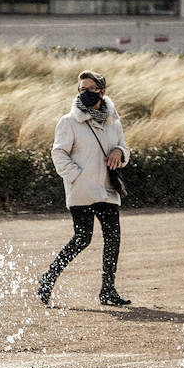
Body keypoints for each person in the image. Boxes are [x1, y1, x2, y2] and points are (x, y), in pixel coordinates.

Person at [39, 69, 132, 307]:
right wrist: (75, 177)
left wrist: (119, 152)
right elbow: (58, 153)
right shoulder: (69, 122)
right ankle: (48, 280)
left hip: (106, 188)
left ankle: (107, 290)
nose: (86, 93)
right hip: (81, 190)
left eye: (91, 89)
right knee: (82, 238)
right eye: (82, 89)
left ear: (102, 91)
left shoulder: (113, 121)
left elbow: (124, 148)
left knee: (113, 239)